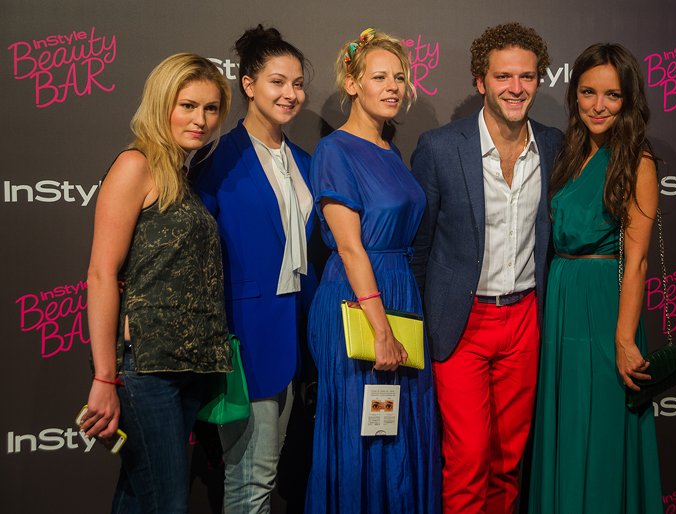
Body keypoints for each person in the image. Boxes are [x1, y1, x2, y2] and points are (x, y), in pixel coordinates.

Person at [411, 22, 563, 513]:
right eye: (503, 76)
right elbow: (419, 247)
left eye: (526, 76)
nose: (515, 88)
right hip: (462, 322)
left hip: (524, 319)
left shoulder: (554, 146)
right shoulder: (440, 147)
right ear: (481, 81)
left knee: (507, 460)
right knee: (468, 458)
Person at [80, 53, 232, 513]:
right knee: (166, 502)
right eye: (188, 106)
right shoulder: (136, 164)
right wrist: (104, 376)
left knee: (138, 496)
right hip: (144, 369)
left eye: (210, 109)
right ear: (162, 103)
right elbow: (101, 274)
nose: (200, 120)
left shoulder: (179, 175)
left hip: (183, 367)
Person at [304, 28, 441, 514]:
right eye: (379, 77)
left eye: (399, 77)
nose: (392, 87)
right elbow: (350, 247)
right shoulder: (335, 151)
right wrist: (381, 330)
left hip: (400, 293)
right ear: (352, 83)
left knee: (398, 429)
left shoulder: (391, 151)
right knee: (360, 430)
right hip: (358, 304)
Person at [527, 43, 664, 513]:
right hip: (562, 301)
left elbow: (638, 261)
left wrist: (624, 339)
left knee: (601, 428)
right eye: (588, 92)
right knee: (567, 425)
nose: (598, 105)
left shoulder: (637, 160)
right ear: (575, 95)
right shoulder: (570, 153)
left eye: (612, 95)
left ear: (628, 99)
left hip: (606, 307)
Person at [191, 25, 316, 514]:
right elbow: (196, 256)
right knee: (251, 481)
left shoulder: (305, 161)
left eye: (298, 84)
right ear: (248, 84)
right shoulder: (217, 158)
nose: (290, 94)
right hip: (243, 341)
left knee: (264, 476)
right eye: (277, 82)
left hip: (295, 338)